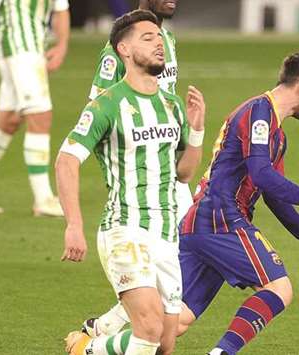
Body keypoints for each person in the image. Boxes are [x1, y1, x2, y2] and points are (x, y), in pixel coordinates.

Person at [83, 52, 299, 355]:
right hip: (222, 216)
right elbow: (261, 173)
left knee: (173, 326)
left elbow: (271, 191)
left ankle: (91, 348)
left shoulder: (276, 134)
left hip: (201, 221)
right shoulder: (260, 113)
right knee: (279, 288)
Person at [56, 10, 205, 355]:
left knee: (165, 343)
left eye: (160, 38)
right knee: (149, 327)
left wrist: (196, 131)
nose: (159, 44)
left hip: (166, 234)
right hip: (125, 228)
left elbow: (184, 173)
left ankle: (86, 349)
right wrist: (73, 225)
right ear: (123, 49)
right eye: (148, 38)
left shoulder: (173, 105)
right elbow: (66, 161)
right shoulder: (106, 106)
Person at [81, 0, 190, 338]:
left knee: (184, 249)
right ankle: (109, 330)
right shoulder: (118, 51)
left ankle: (106, 327)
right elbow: (99, 108)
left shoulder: (166, 40)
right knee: (190, 246)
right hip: (143, 170)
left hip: (170, 159)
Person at [0, 0, 70, 216]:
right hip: (18, 46)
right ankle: (43, 198)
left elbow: (61, 9)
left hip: (33, 47)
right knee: (40, 115)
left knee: (9, 120)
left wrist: (62, 45)